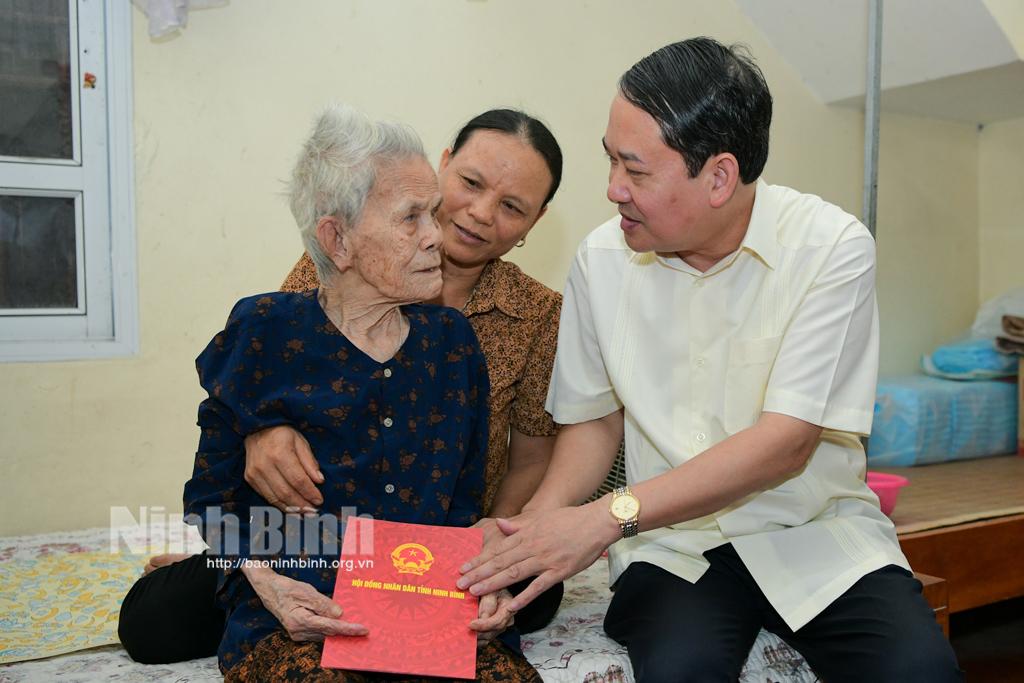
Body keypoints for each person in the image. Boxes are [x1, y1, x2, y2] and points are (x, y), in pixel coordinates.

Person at [457, 37, 963, 682]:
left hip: (813, 534)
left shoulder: (830, 249)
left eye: (635, 171)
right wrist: (532, 535)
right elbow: (593, 424)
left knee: (920, 672)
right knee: (681, 671)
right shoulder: (600, 261)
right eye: (610, 161)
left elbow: (786, 443)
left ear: (719, 176)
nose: (613, 190)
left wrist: (604, 518)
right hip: (673, 547)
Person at [118, 108, 565, 664]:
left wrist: (482, 556)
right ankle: (228, 570)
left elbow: (528, 463)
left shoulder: (527, 319)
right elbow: (254, 369)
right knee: (161, 617)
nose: (477, 213)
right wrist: (262, 430)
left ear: (535, 220)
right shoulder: (331, 268)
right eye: (470, 184)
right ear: (445, 165)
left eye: (512, 206)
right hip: (307, 533)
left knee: (539, 593)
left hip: (429, 540)